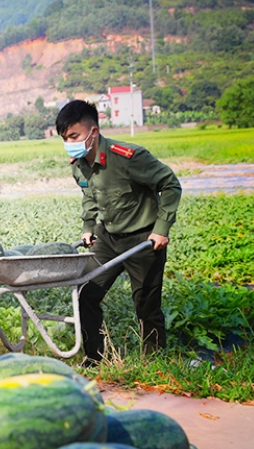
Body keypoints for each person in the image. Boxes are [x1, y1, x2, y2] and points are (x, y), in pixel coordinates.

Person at [55, 100, 182, 365]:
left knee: (147, 306)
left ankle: (153, 362)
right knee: (85, 293)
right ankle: (94, 358)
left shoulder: (127, 157)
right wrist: (88, 227)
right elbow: (89, 196)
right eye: (65, 138)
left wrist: (161, 230)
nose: (70, 143)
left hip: (144, 239)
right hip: (108, 239)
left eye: (74, 136)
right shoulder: (78, 165)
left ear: (93, 132)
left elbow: (170, 185)